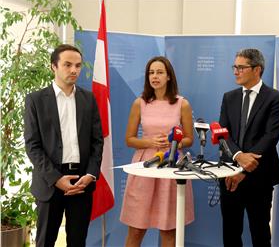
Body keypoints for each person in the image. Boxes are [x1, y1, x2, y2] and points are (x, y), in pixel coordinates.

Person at [24, 44, 104, 247]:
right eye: (67, 65)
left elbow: (97, 141)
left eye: (77, 65)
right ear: (54, 66)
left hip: (81, 182)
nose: (74, 70)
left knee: (78, 242)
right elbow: (33, 146)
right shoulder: (35, 100)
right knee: (45, 242)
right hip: (50, 182)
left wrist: (91, 174)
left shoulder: (88, 99)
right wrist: (56, 179)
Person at [120, 56, 194, 247]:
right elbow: (129, 140)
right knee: (136, 229)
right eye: (151, 73)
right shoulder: (140, 103)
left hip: (171, 165)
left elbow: (189, 139)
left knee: (169, 229)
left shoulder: (182, 104)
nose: (155, 76)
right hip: (144, 166)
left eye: (160, 72)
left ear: (169, 76)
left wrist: (173, 144)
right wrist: (148, 141)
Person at [218, 48, 279, 247]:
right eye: (235, 67)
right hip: (229, 175)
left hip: (260, 176)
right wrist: (238, 157)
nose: (235, 71)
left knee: (260, 232)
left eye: (241, 67)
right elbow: (223, 133)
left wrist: (245, 169)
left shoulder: (275, 98)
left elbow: (270, 136)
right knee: (230, 233)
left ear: (257, 69)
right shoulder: (229, 97)